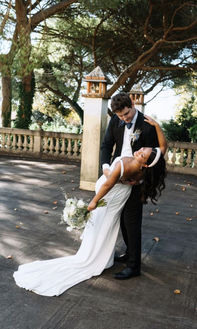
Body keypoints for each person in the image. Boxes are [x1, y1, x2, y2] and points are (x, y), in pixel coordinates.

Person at [13, 114, 167, 297]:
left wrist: (93, 201)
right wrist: (157, 125)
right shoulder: (149, 158)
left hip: (115, 193)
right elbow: (161, 147)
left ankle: (131, 265)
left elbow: (109, 184)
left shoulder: (132, 163)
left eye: (143, 152)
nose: (140, 150)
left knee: (126, 224)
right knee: (116, 224)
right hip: (117, 190)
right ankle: (120, 254)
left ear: (145, 163)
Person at [100, 92, 167, 279]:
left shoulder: (147, 126)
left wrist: (140, 180)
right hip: (116, 175)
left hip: (136, 181)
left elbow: (156, 158)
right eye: (120, 116)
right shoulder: (115, 120)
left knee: (132, 222)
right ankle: (130, 253)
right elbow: (106, 146)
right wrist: (106, 168)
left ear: (132, 105)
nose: (123, 118)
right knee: (121, 219)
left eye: (126, 114)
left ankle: (134, 266)